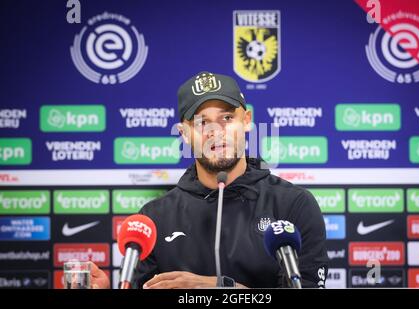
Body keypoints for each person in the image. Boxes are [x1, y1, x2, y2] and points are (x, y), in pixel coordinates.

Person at [92, 71, 328, 289]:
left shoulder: (294, 205)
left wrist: (223, 289)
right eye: (202, 122)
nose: (216, 131)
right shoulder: (153, 218)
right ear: (183, 133)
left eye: (227, 117)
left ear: (246, 121)